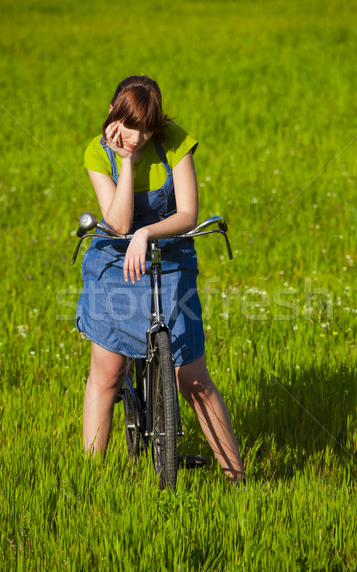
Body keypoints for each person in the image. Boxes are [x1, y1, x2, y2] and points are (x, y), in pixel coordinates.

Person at [76, 75, 245, 483]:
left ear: (157, 125)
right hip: (115, 260)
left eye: (146, 128)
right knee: (108, 372)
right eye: (129, 125)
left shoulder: (173, 141)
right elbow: (117, 223)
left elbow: (187, 213)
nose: (136, 136)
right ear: (113, 115)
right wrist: (126, 163)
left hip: (169, 252)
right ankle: (91, 482)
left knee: (194, 378)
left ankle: (238, 481)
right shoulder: (98, 153)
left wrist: (148, 232)